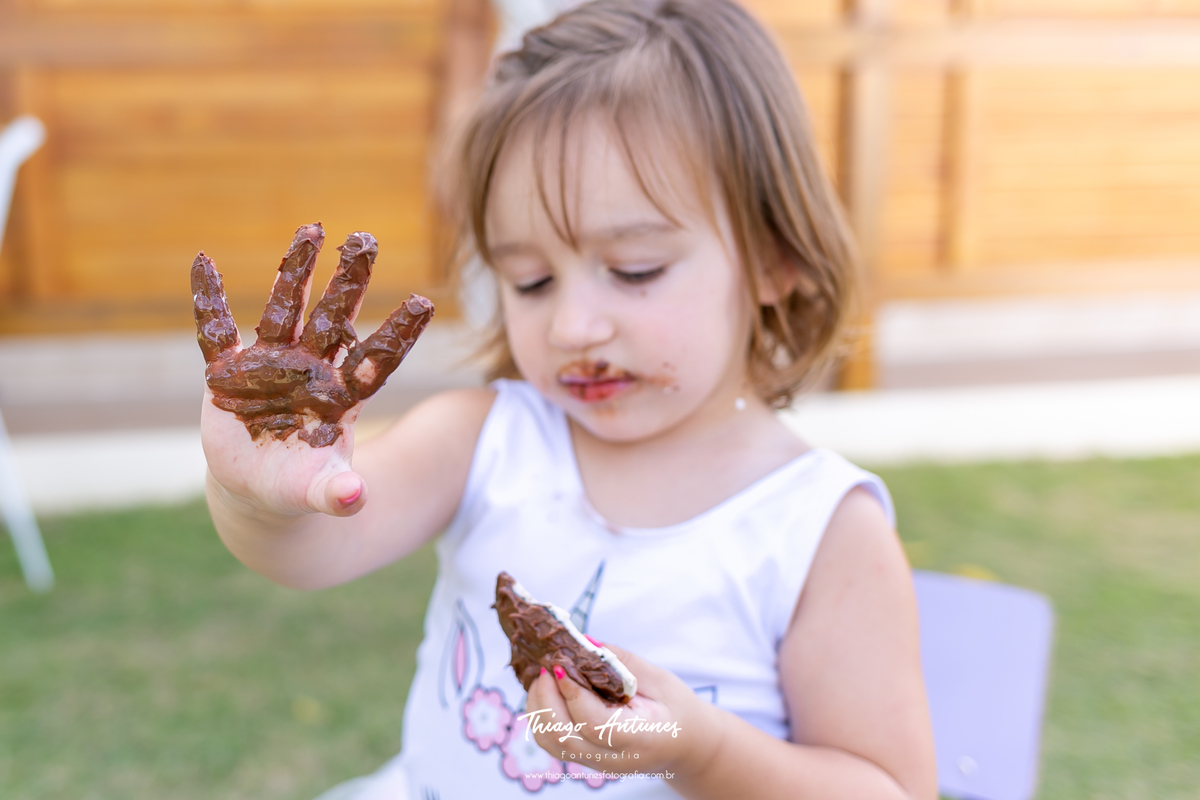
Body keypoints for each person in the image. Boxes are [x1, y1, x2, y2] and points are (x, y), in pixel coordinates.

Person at [198, 0, 937, 797]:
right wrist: (261, 497)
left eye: (636, 269)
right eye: (532, 281)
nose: (575, 325)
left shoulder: (819, 532)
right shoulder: (483, 440)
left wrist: (702, 754)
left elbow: (887, 787)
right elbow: (310, 553)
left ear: (773, 259)